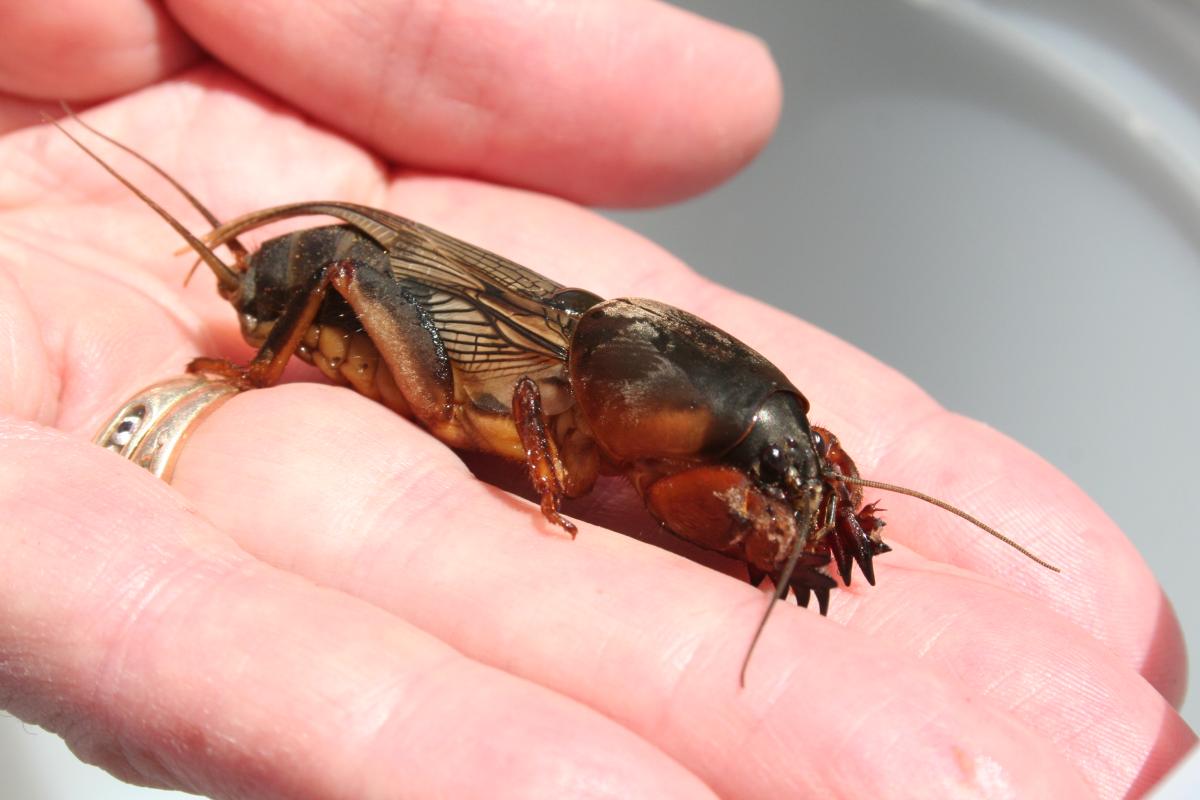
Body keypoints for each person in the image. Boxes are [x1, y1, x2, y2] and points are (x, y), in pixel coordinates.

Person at [0, 2, 1192, 797]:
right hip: (363, 312)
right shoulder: (570, 400)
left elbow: (684, 485)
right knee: (350, 272)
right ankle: (267, 357)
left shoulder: (646, 403)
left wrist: (802, 489)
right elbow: (544, 420)